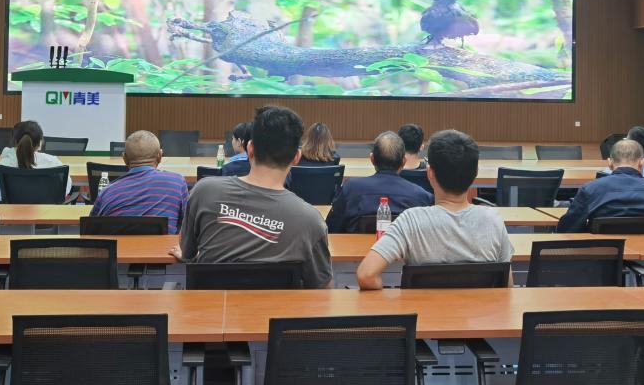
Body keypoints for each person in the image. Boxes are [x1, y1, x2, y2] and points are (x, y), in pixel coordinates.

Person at [171, 104, 332, 288]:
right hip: (277, 307)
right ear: (296, 157)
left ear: (250, 148)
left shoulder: (204, 191)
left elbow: (188, 253)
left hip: (210, 306)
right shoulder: (311, 221)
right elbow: (321, 286)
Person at [357, 129, 513, 290]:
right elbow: (507, 286)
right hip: (479, 307)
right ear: (475, 173)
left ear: (430, 173)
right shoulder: (493, 221)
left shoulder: (411, 221)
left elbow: (366, 275)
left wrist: (397, 300)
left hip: (422, 307)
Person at [558, 138, 644, 232]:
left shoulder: (590, 191)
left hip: (602, 255)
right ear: (642, 163)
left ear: (610, 163)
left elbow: (567, 229)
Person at [326, 131, 433, 234]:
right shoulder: (422, 196)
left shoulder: (350, 188)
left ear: (372, 159)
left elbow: (332, 228)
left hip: (355, 247)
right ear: (403, 161)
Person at [89, 130, 188, 233]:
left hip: (121, 244)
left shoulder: (106, 193)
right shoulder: (177, 183)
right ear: (159, 156)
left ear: (124, 158)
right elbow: (188, 225)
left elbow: (90, 231)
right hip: (164, 244)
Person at [0, 120, 73, 204]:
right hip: (47, 217)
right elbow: (65, 189)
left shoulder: (5, 164)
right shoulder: (54, 162)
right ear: (40, 142)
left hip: (11, 218)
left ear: (15, 141)